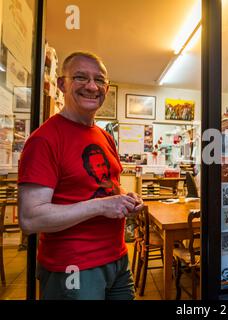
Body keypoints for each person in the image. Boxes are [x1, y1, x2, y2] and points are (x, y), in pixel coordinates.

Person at [18, 52, 143, 300]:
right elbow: (30, 218)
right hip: (74, 267)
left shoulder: (104, 136)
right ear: (62, 84)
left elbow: (106, 187)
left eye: (99, 80)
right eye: (80, 77)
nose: (91, 86)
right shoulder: (44, 140)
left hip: (117, 258)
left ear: (106, 88)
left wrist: (126, 198)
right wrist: (100, 206)